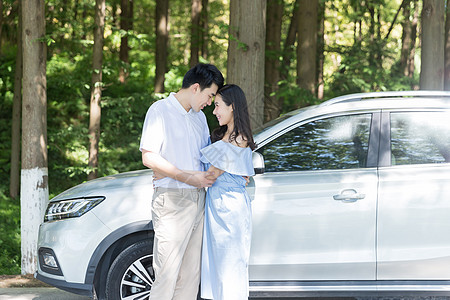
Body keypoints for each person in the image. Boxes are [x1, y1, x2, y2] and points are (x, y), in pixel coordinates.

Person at [139, 63, 224, 300]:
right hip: (173, 200)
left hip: (199, 200)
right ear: (196, 88)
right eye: (209, 95)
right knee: (167, 275)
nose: (209, 102)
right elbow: (149, 156)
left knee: (190, 276)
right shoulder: (160, 111)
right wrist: (184, 175)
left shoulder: (199, 118)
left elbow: (207, 158)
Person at [200, 84, 256, 300]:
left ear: (232, 106)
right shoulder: (222, 137)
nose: (214, 111)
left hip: (230, 210)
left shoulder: (239, 139)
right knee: (217, 269)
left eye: (217, 106)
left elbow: (210, 175)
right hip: (216, 207)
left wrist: (171, 173)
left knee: (230, 268)